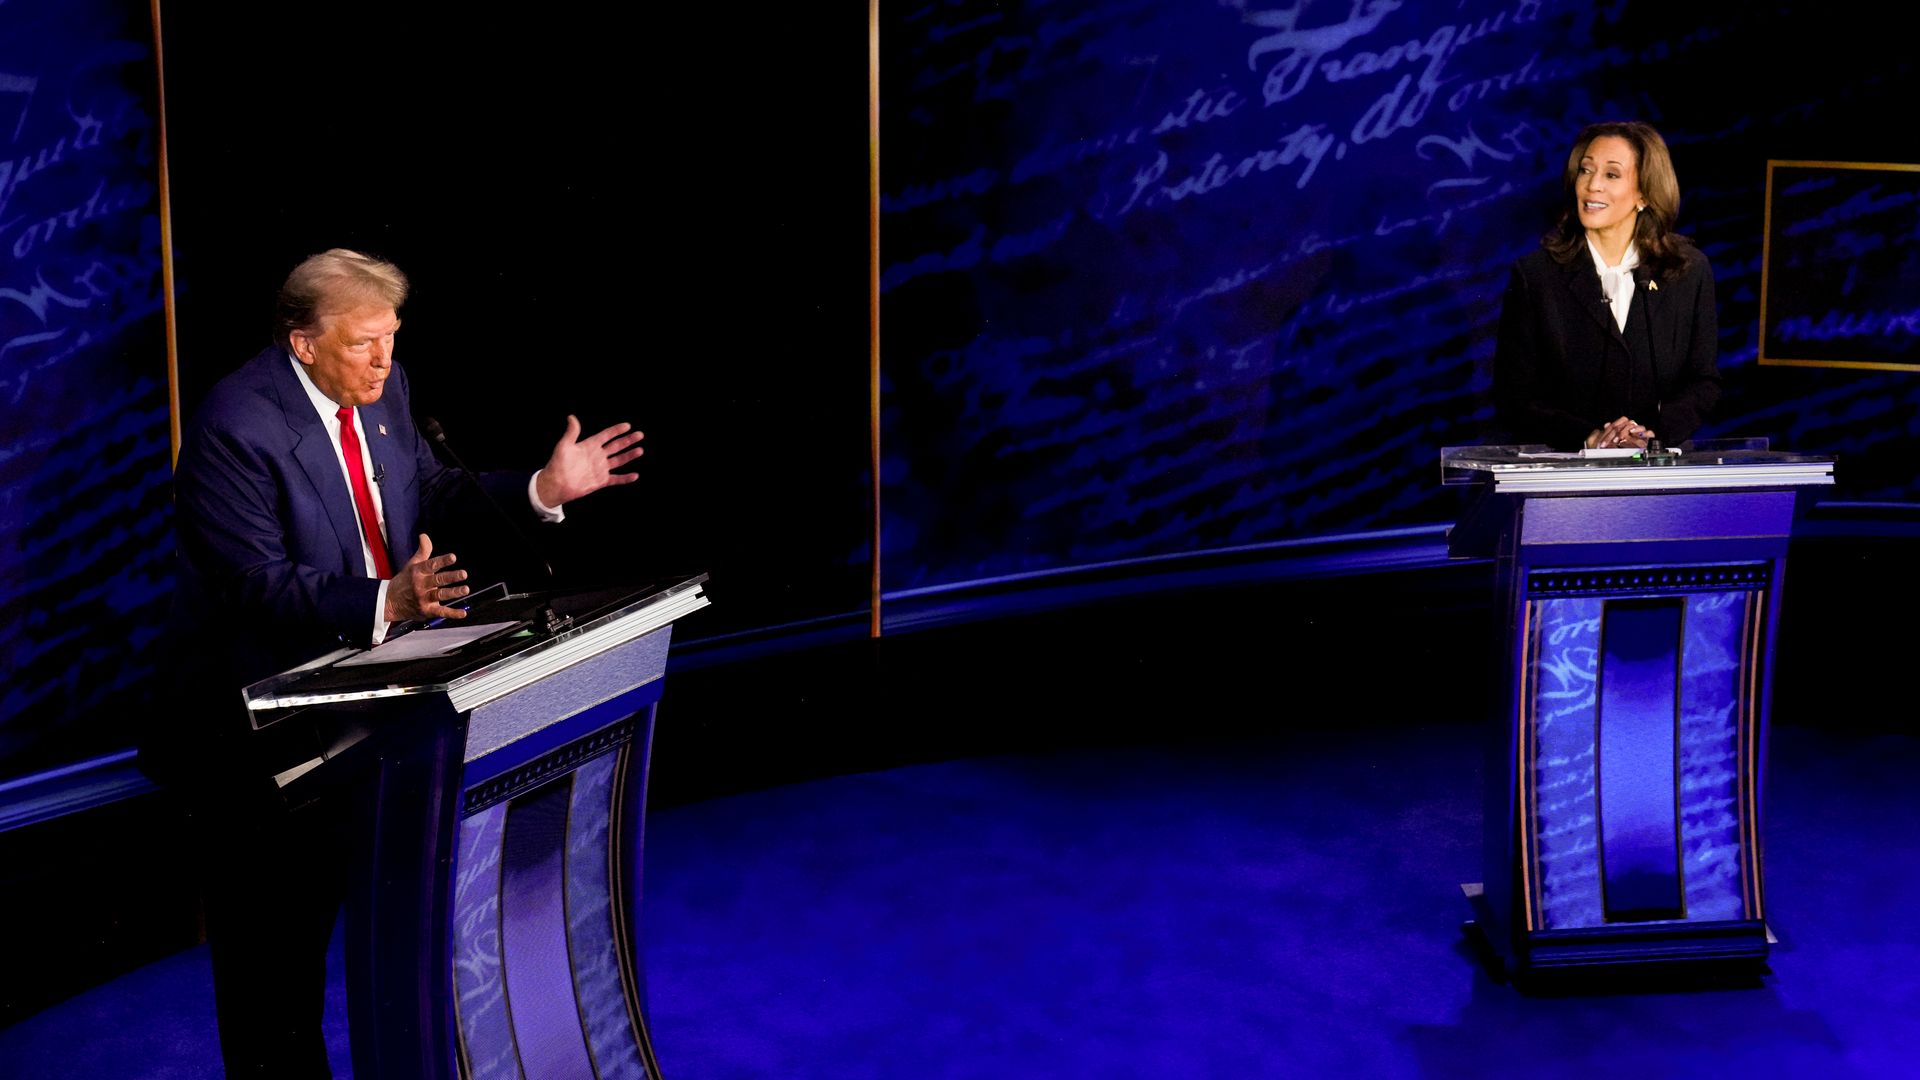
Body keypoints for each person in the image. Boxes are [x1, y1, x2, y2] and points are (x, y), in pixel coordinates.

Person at [153, 248, 643, 1075]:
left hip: (374, 719)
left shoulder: (385, 392)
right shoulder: (234, 427)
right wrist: (388, 599)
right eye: (362, 343)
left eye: (392, 337)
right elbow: (254, 585)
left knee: (397, 949)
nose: (383, 360)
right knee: (274, 983)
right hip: (260, 745)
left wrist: (540, 491)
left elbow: (430, 492)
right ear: (303, 343)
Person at [1494, 121, 1721, 451]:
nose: (1592, 185)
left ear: (1644, 193)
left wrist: (1650, 434)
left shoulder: (1687, 271)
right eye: (1586, 170)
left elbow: (1704, 383)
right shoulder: (1536, 276)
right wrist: (1589, 438)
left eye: (1611, 174)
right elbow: (1514, 397)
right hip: (1568, 469)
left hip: (1657, 467)